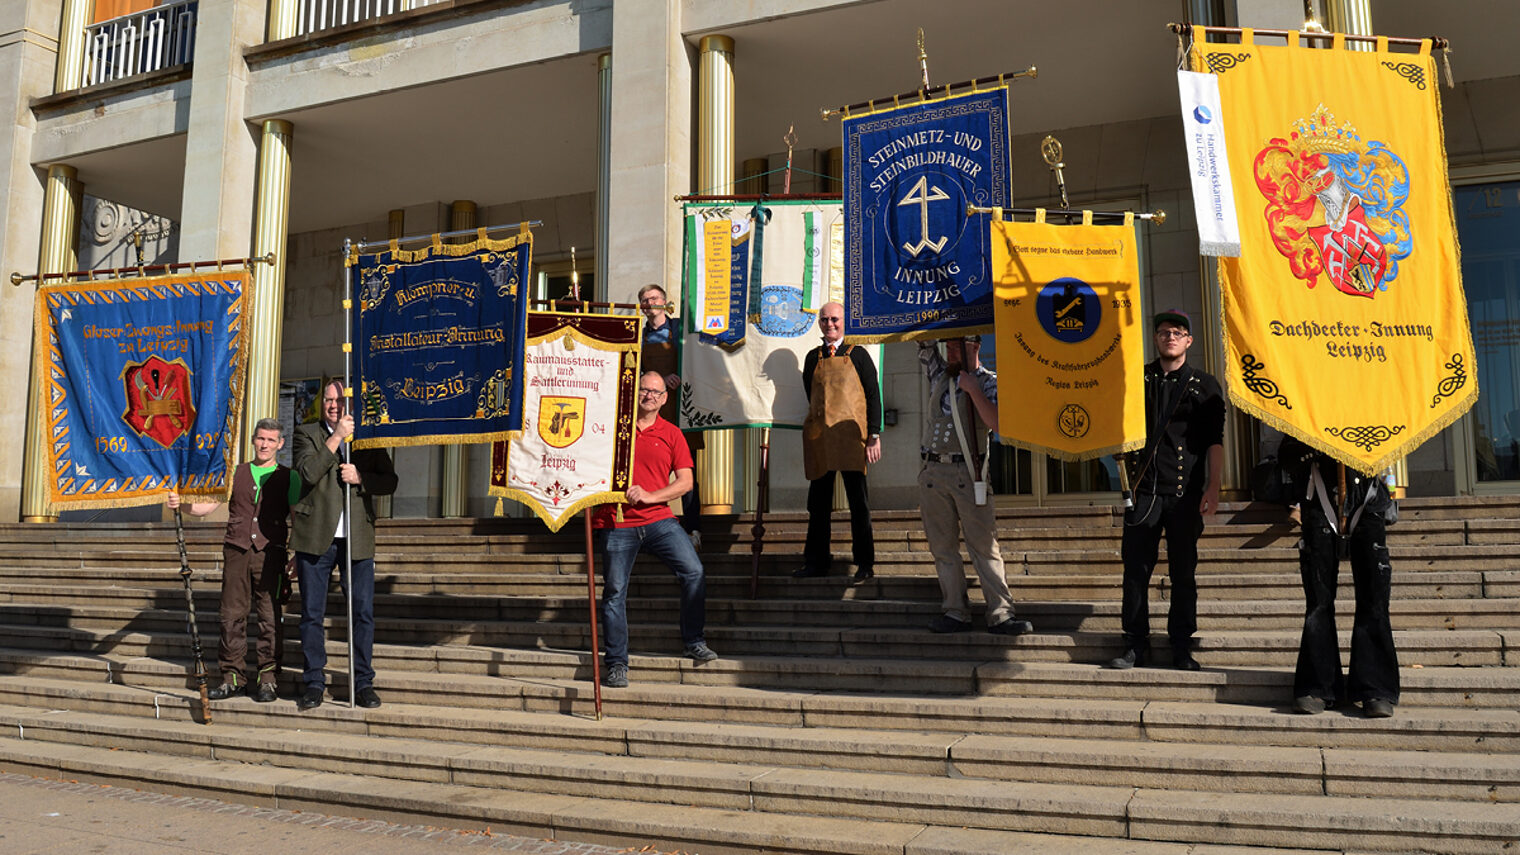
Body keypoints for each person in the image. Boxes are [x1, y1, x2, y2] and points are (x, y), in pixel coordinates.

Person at [1109, 310, 1224, 671]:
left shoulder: (1205, 386)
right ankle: (1134, 645)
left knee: (1183, 572)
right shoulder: (1138, 379)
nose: (1169, 337)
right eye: (1163, 332)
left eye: (1177, 332)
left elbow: (1214, 442)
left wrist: (1215, 486)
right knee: (1135, 571)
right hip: (1144, 491)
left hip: (1184, 493)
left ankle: (1180, 645)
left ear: (1189, 340)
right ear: (1156, 339)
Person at [594, 370, 717, 688]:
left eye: (655, 391)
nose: (648, 395)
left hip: (659, 520)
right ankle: (617, 663)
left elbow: (686, 482)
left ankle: (693, 640)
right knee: (614, 592)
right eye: (643, 389)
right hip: (616, 520)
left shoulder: (672, 433)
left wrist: (650, 496)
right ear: (634, 393)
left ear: (664, 399)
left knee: (694, 571)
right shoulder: (612, 430)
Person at [167, 417, 301, 703]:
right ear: (254, 440)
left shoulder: (289, 477)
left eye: (270, 440)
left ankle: (267, 679)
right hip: (237, 551)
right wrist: (183, 504)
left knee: (269, 618)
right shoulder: (235, 473)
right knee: (231, 617)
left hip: (271, 554)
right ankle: (232, 678)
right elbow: (207, 506)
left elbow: (297, 517)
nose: (264, 444)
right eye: (260, 438)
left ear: (280, 444)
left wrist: (298, 555)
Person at [291, 379, 397, 711]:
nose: (333, 405)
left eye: (339, 400)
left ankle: (363, 681)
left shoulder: (367, 437)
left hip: (357, 538)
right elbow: (307, 473)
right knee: (312, 614)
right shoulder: (306, 433)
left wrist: (361, 479)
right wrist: (336, 437)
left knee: (362, 613)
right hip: (316, 537)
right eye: (328, 399)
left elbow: (390, 481)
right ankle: (314, 682)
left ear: (350, 404)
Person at [918, 337, 1032, 636]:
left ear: (975, 346)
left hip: (968, 472)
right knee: (942, 548)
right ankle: (955, 610)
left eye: (957, 346)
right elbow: (923, 344)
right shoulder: (940, 375)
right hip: (933, 472)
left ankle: (1001, 613)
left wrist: (973, 391)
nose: (950, 351)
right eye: (949, 346)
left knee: (984, 546)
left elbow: (998, 424)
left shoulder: (989, 382)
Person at [1279, 436, 1399, 718]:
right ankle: (1317, 685)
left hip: (1368, 499)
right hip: (1320, 499)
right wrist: (1319, 442)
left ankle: (1375, 688)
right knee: (1319, 602)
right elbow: (1287, 455)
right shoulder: (1309, 401)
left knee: (1374, 599)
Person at [796, 302, 882, 584]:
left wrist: (874, 435)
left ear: (845, 321)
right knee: (817, 503)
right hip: (821, 439)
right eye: (824, 320)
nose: (829, 324)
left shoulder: (858, 354)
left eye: (834, 319)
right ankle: (816, 561)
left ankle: (865, 562)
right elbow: (810, 393)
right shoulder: (812, 357)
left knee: (859, 502)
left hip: (851, 439)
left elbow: (873, 396)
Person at [638, 283, 703, 549]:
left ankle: (693, 528)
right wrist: (659, 381)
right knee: (648, 467)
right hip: (650, 408)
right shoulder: (638, 336)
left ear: (664, 301)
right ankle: (645, 523)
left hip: (681, 407)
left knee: (687, 469)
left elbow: (700, 361)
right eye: (644, 300)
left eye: (653, 298)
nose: (649, 303)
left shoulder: (681, 331)